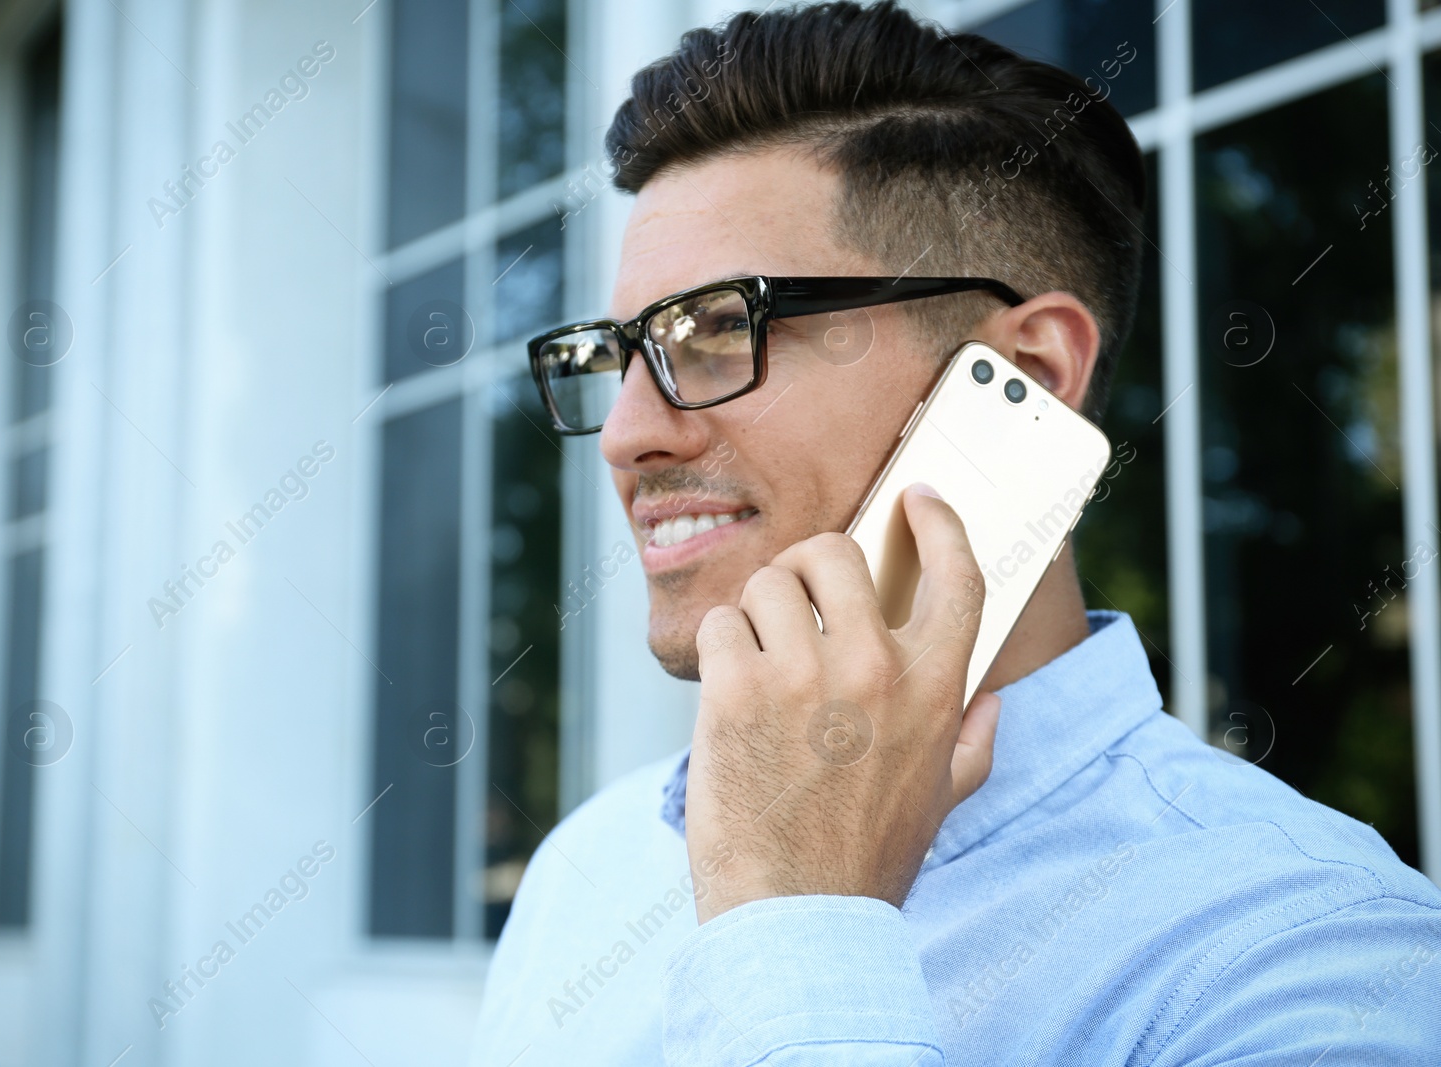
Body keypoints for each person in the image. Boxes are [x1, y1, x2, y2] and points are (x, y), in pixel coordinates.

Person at [469, 3, 1441, 1064]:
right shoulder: (589, 866)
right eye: (617, 355)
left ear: (1025, 375)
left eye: (714, 331)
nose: (624, 435)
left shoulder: (1308, 957)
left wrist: (797, 921)